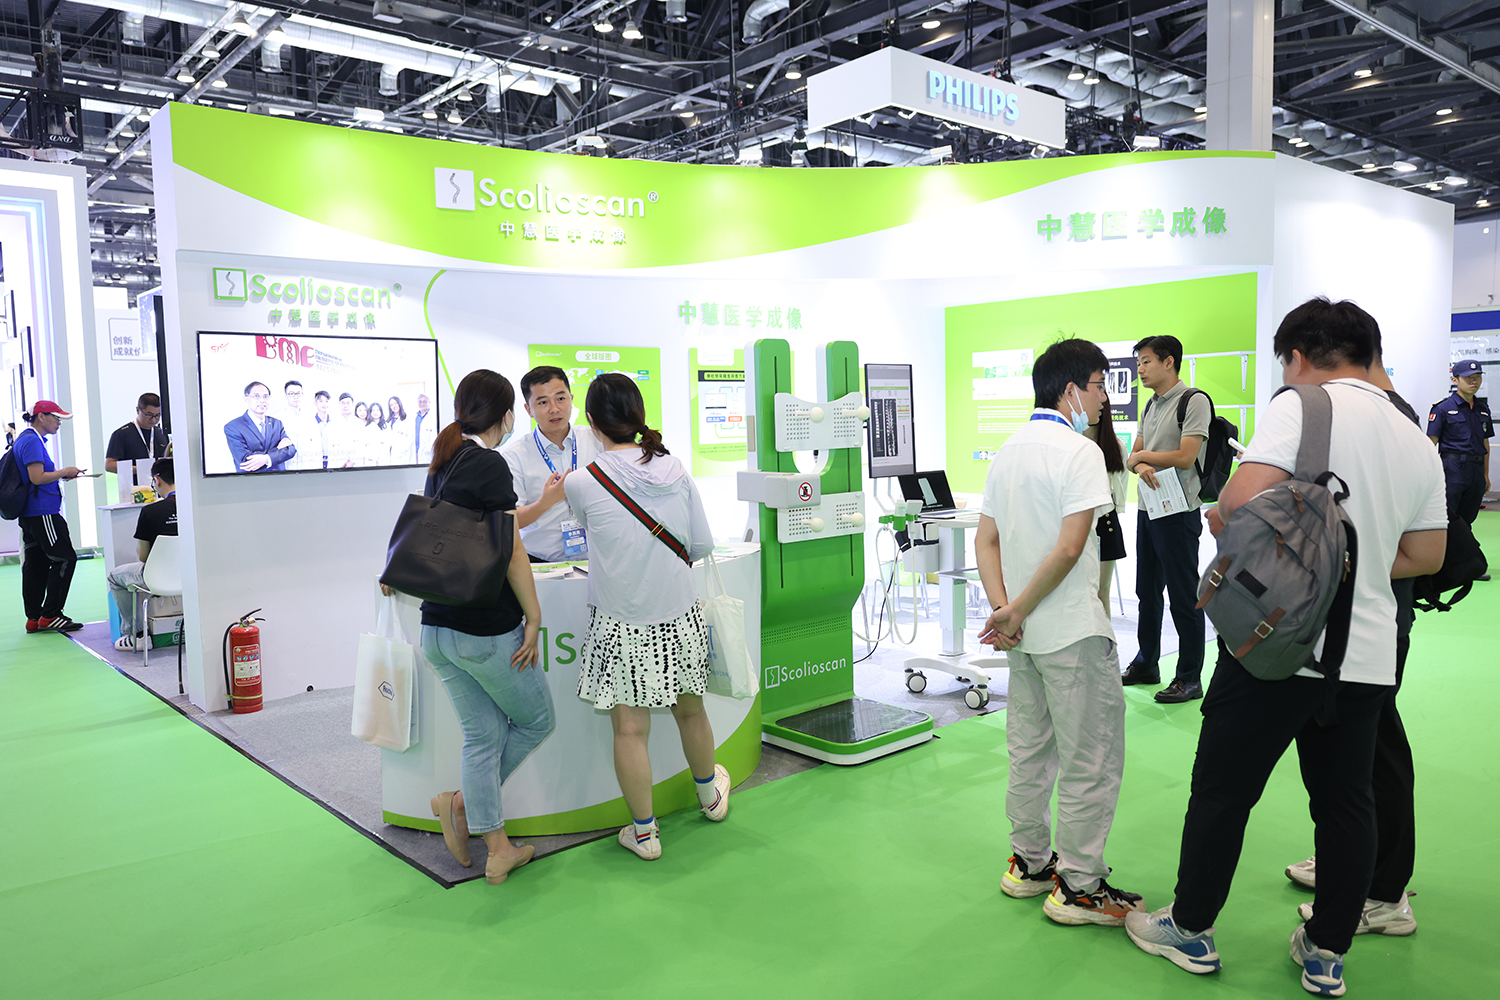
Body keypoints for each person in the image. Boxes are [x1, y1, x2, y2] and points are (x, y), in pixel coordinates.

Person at [1125, 299, 1447, 997]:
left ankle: (1190, 928)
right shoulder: (1413, 434)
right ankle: (1327, 951)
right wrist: (1351, 562)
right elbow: (1427, 553)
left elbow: (1237, 506)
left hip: (1277, 643)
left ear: (1299, 356)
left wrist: (1291, 553)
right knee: (1346, 804)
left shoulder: (1302, 407)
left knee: (1223, 791)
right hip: (1367, 652)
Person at [975, 338, 1144, 926]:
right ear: (1071, 389)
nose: (1104, 400)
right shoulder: (1080, 451)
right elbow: (1072, 548)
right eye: (1099, 386)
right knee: (1090, 759)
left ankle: (1029, 863)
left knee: (1030, 752)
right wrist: (1017, 610)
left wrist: (1005, 611)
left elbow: (986, 541)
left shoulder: (1008, 451)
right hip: (1070, 632)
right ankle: (1079, 887)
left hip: (1022, 640)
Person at [387, 369, 553, 886]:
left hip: (437, 629)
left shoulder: (446, 459)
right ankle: (462, 805)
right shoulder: (488, 463)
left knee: (482, 736)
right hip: (483, 630)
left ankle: (492, 843)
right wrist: (534, 616)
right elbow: (512, 549)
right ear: (507, 415)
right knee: (537, 720)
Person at [1282, 344, 1425, 938]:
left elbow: (1416, 543)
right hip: (1355, 617)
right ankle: (1350, 863)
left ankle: (1384, 891)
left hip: (1370, 619)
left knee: (1375, 751)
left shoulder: (1391, 419)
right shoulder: (1386, 415)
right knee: (1349, 753)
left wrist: (1337, 560)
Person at [564, 373, 730, 860]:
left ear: (591, 422)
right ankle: (710, 797)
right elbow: (701, 544)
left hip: (619, 621)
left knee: (630, 731)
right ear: (637, 415)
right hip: (678, 614)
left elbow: (589, 531)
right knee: (691, 712)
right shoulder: (675, 468)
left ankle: (644, 834)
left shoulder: (582, 481)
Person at [1123, 335, 1209, 703]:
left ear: (1168, 361)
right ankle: (1147, 662)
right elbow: (1133, 454)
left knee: (1183, 595)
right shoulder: (1150, 404)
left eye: (1146, 362)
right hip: (1149, 509)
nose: (1140, 370)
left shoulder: (1194, 400)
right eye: (1139, 363)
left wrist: (1143, 459)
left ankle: (1189, 677)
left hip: (1179, 512)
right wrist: (1139, 463)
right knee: (1147, 592)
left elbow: (1186, 456)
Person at [501, 366, 598, 564]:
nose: (554, 409)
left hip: (595, 561)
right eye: (543, 402)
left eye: (560, 398)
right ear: (529, 409)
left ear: (571, 398)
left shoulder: (596, 440)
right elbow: (510, 520)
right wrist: (545, 502)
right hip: (540, 564)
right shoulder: (515, 455)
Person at [14, 401, 84, 633]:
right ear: (41, 416)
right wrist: (64, 471)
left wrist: (60, 476)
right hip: (43, 512)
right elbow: (37, 477)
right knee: (65, 558)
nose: (59, 422)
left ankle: (34, 618)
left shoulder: (26, 439)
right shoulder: (32, 441)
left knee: (36, 564)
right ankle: (51, 614)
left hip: (31, 514)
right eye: (56, 417)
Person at [1428, 359, 1492, 580]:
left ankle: (1466, 567)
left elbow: (1485, 443)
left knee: (1467, 520)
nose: (1474, 381)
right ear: (1455, 380)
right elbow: (1430, 443)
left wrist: (1485, 475)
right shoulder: (1443, 408)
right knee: (1448, 518)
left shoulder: (1482, 409)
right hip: (1452, 469)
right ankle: (1438, 568)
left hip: (1475, 470)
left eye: (1477, 377)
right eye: (1468, 378)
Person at [106, 458, 178, 651]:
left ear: (157, 480)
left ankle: (137, 635)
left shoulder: (150, 511)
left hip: (158, 577)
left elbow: (144, 557)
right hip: (192, 575)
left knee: (114, 577)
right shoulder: (194, 506)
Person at [1083, 399, 1129, 610]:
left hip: (1106, 520)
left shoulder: (1116, 446)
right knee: (1077, 590)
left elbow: (1120, 487)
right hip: (1075, 518)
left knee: (1101, 591)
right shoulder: (1070, 443)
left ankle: (1105, 633)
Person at [223, 382, 296, 472]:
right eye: (256, 396)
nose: (262, 400)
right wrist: (275, 452)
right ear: (246, 398)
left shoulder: (277, 423)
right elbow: (245, 460)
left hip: (279, 478)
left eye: (265, 396)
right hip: (252, 479)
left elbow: (291, 450)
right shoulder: (233, 427)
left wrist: (265, 458)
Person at [104, 392, 169, 476]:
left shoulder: (162, 433)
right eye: (149, 415)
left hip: (159, 483)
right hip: (132, 483)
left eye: (158, 415)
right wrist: (141, 469)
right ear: (138, 410)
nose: (153, 420)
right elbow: (109, 465)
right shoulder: (121, 434)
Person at [280, 381, 319, 471]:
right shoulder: (278, 419)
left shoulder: (310, 418)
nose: (295, 397)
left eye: (298, 393)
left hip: (308, 468)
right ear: (285, 396)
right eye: (291, 394)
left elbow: (317, 445)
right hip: (287, 468)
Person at [385, 395, 412, 466]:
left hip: (402, 454)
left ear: (399, 404)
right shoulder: (388, 420)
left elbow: (410, 438)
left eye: (395, 403)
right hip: (391, 453)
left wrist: (401, 449)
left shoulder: (407, 419)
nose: (394, 406)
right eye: (391, 405)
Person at [414, 392, 438, 465]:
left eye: (424, 401)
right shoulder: (414, 417)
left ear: (429, 402)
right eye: (420, 402)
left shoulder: (434, 417)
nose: (422, 404)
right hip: (414, 452)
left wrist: (426, 449)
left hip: (427, 453)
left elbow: (435, 437)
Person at [362, 401, 389, 466]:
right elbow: (365, 444)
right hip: (370, 459)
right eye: (373, 410)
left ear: (381, 412)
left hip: (383, 458)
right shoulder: (367, 426)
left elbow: (388, 443)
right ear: (370, 412)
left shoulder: (386, 426)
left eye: (377, 410)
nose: (375, 412)